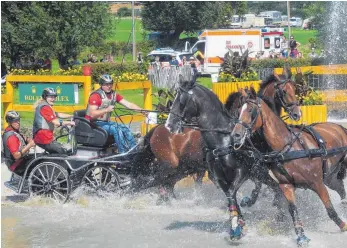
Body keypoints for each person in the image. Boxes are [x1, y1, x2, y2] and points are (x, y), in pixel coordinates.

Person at [85, 74, 146, 153]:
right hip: (92, 123)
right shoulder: (96, 96)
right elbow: (92, 114)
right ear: (101, 84)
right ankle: (123, 153)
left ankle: (134, 151)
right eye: (106, 84)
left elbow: (129, 104)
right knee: (116, 130)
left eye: (110, 84)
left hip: (105, 122)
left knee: (125, 128)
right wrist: (106, 110)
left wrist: (141, 110)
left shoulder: (114, 94)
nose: (109, 86)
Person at [33, 88, 75, 154]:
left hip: (46, 137)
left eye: (54, 97)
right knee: (62, 153)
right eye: (50, 97)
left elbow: (59, 114)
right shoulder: (45, 107)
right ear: (45, 97)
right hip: (43, 138)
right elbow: (56, 122)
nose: (53, 99)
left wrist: (72, 116)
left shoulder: (47, 106)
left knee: (62, 151)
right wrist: (70, 123)